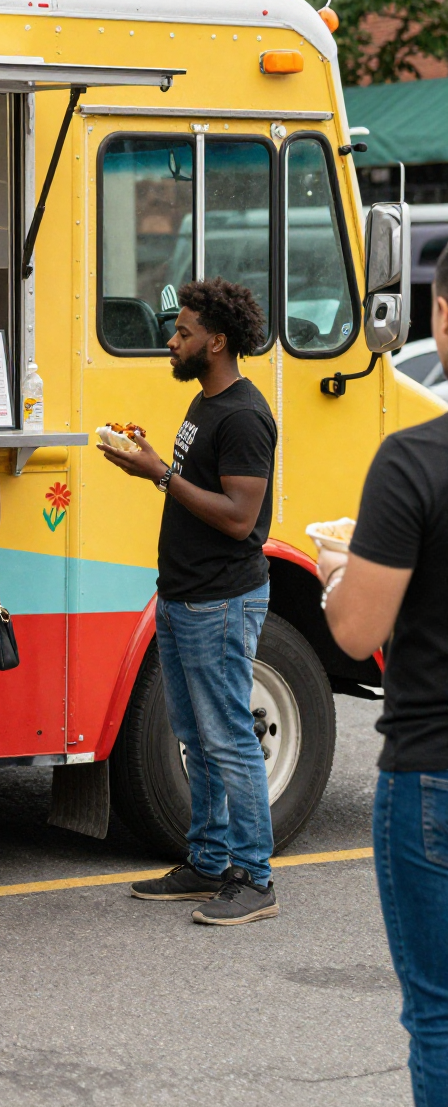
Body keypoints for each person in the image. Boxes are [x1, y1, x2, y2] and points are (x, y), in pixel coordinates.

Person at [99, 278, 279, 925]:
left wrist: (162, 475)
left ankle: (255, 878)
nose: (172, 343)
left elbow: (239, 518)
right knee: (196, 735)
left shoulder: (243, 416)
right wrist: (147, 464)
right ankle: (208, 862)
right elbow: (190, 485)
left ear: (217, 341)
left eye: (183, 333)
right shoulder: (207, 404)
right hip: (182, 595)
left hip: (220, 601)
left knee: (228, 736)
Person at [320, 243, 448, 1105]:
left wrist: (338, 574)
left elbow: (358, 627)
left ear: (441, 317)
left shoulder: (412, 463)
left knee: (439, 1017)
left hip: (433, 771)